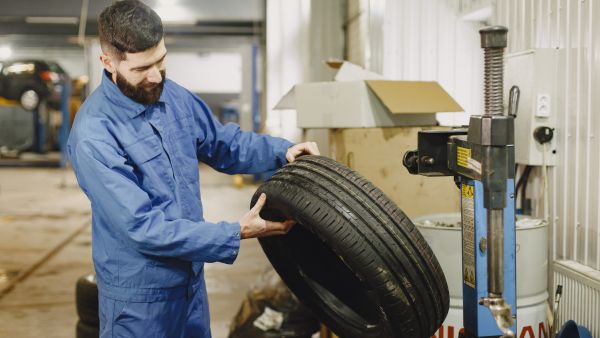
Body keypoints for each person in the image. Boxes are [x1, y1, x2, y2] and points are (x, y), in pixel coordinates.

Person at [67, 1, 319, 337]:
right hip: (139, 301)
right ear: (107, 62)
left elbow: (223, 144)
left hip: (190, 285)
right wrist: (233, 232)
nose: (156, 76)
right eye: (142, 68)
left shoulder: (174, 98)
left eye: (161, 60)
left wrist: (282, 151)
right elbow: (142, 227)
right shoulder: (93, 134)